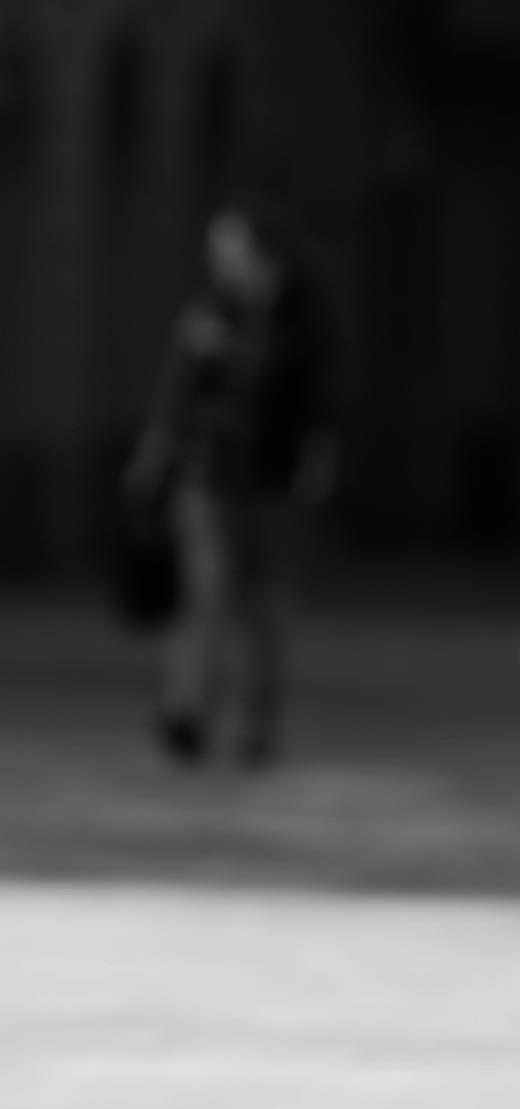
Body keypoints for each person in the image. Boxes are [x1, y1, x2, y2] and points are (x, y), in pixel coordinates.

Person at [125, 204, 335, 766]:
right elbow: (175, 392)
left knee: (264, 604)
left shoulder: (299, 318)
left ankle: (259, 725)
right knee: (206, 590)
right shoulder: (207, 311)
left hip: (272, 477)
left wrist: (319, 460)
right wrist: (153, 457)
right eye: (217, 250)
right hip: (206, 473)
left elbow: (316, 397)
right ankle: (186, 711)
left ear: (265, 254)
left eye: (230, 248)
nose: (220, 260)